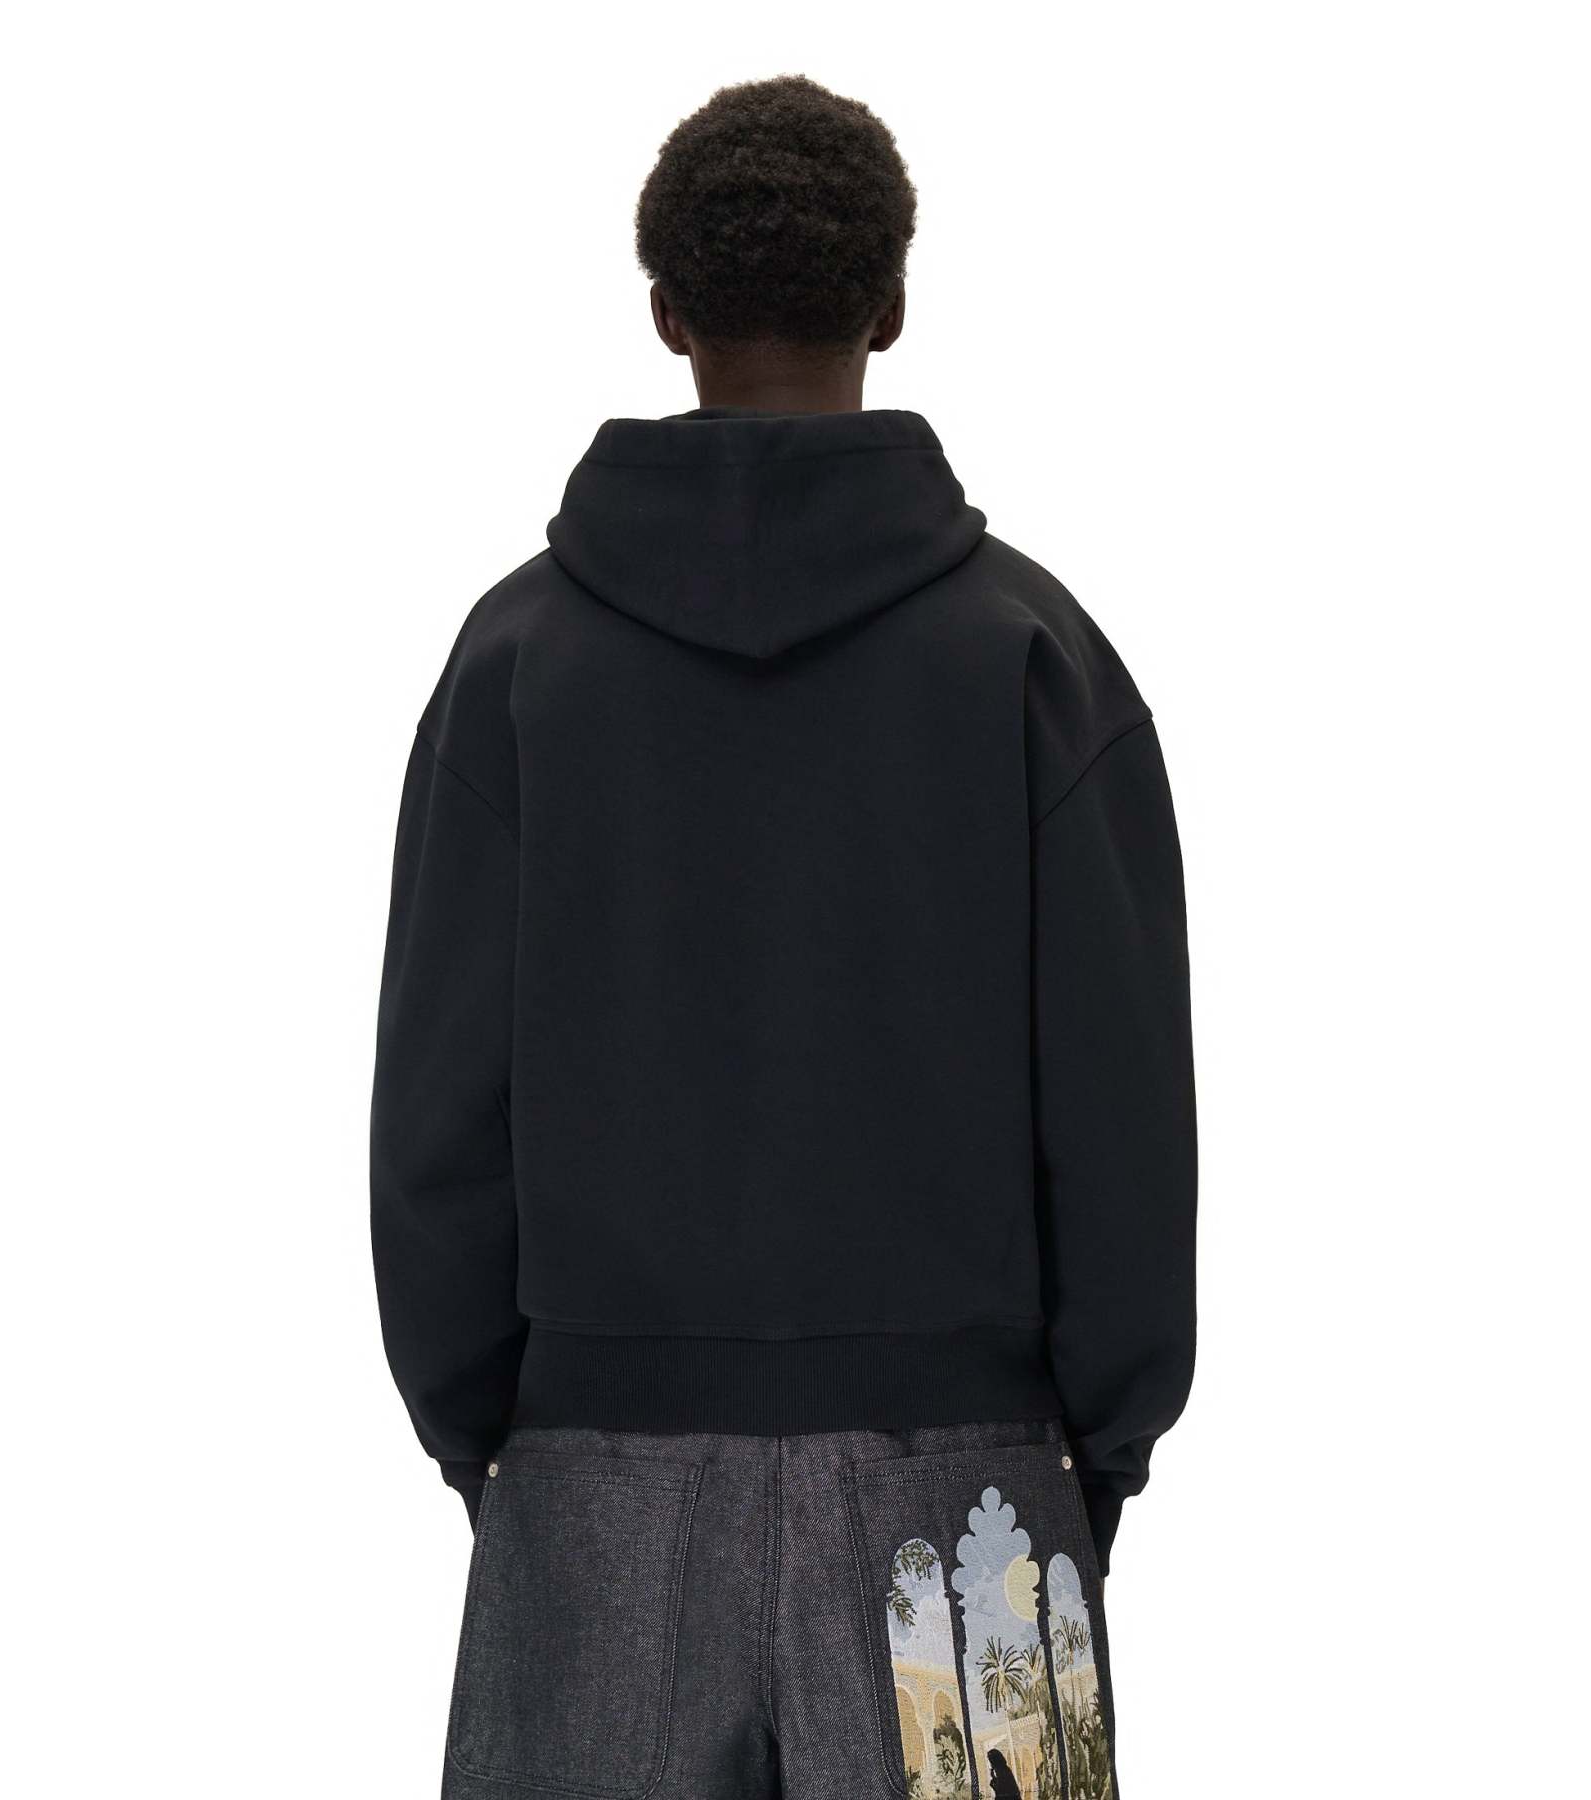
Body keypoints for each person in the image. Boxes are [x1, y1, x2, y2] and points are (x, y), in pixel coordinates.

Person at [372, 74, 1192, 1800]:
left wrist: (508, 1449)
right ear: (889, 306)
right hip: (975, 1505)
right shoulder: (1035, 662)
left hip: (587, 1498)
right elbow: (1123, 1122)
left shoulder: (514, 668)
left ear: (666, 315)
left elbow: (437, 1127)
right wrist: (1084, 1461)